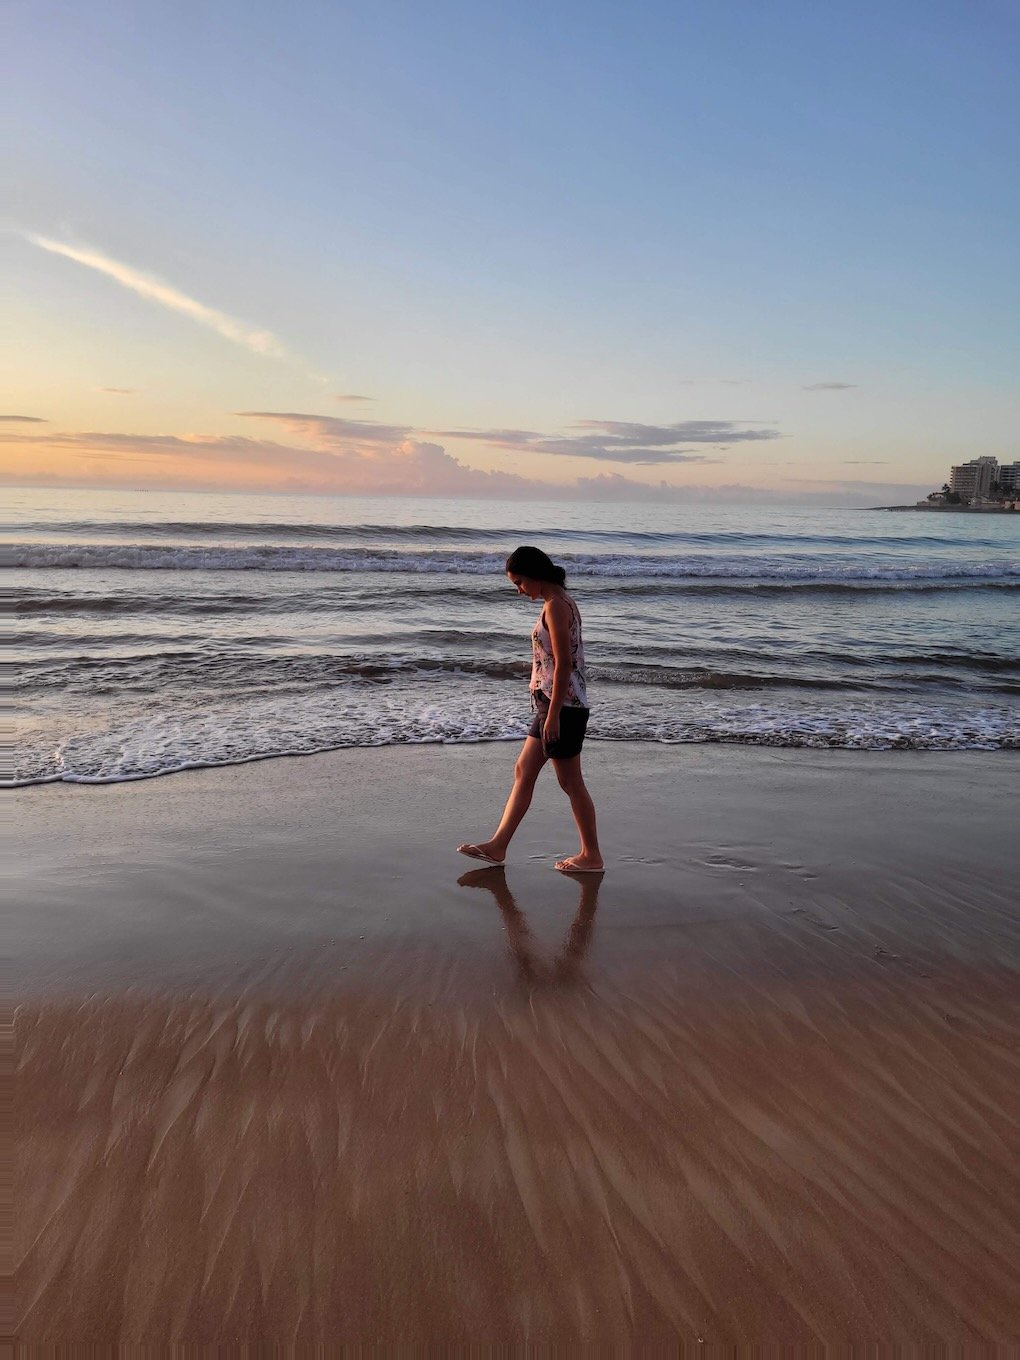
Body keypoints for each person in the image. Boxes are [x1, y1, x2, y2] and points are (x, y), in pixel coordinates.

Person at [457, 545, 604, 874]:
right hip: (554, 705)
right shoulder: (558, 602)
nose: (519, 590)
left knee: (571, 783)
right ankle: (498, 846)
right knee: (524, 770)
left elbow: (565, 664)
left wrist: (553, 715)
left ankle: (591, 855)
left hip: (563, 707)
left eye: (519, 582)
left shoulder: (556, 606)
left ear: (535, 574)